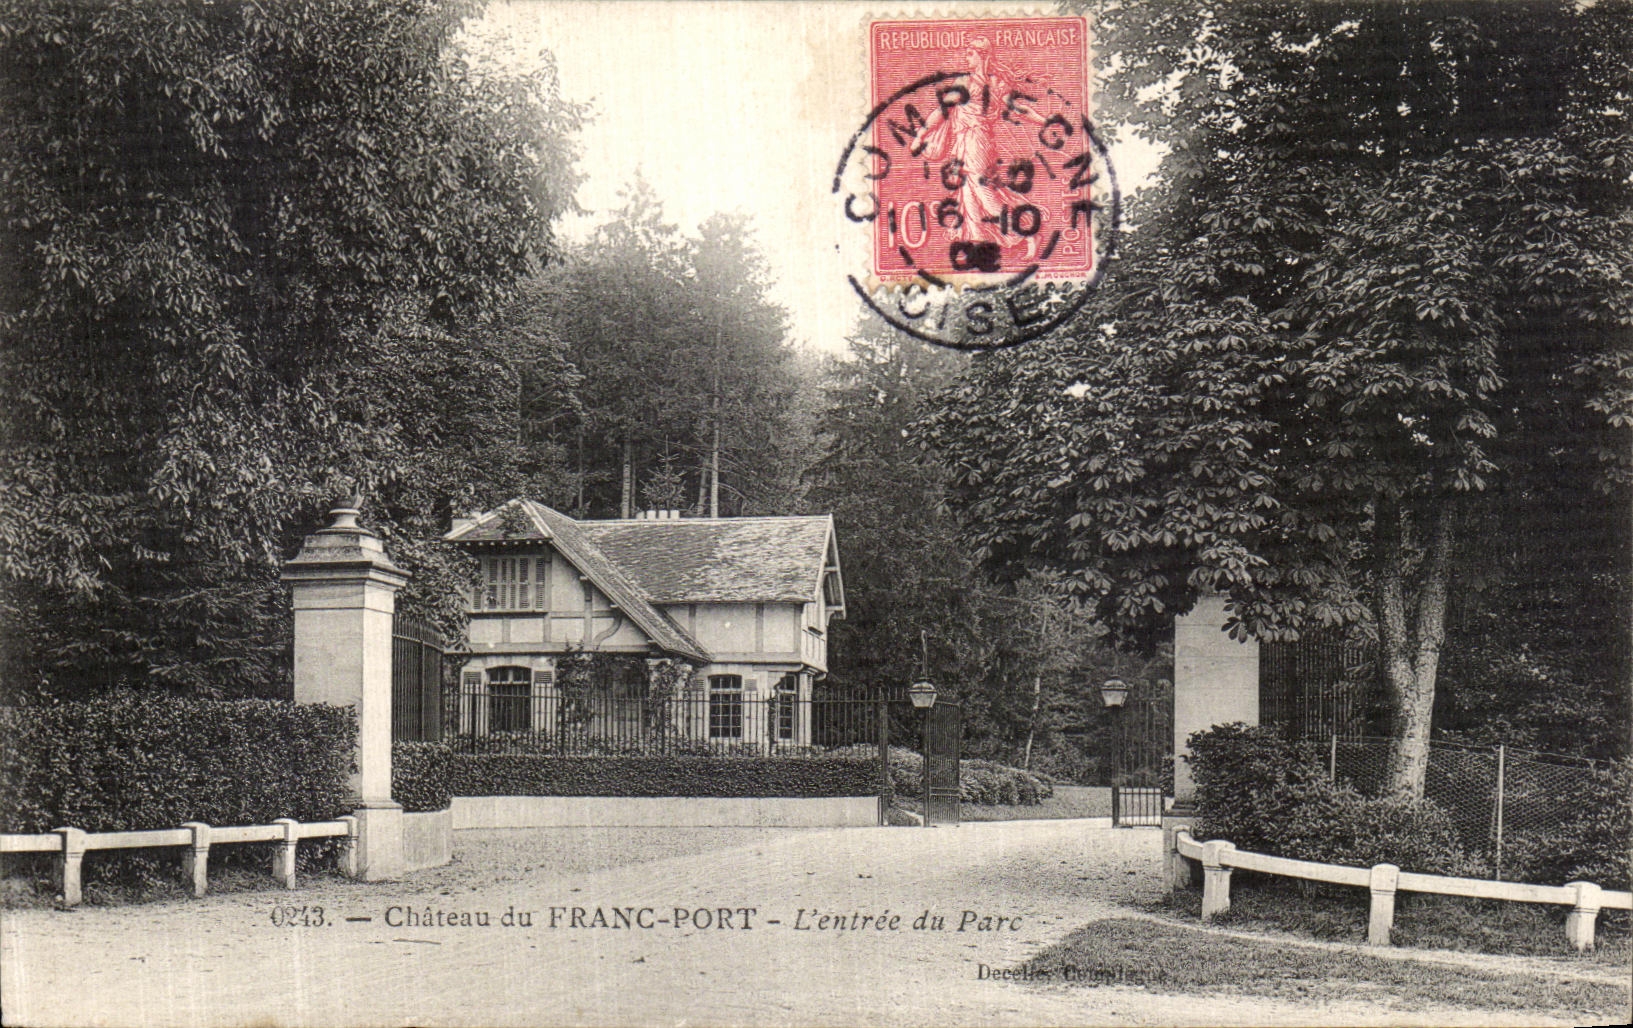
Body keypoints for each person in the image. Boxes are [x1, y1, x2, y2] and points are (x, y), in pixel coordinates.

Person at [910, 37, 1052, 256]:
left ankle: (1029, 234)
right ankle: (977, 245)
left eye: (970, 53)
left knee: (985, 193)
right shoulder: (965, 82)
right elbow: (942, 111)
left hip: (979, 142)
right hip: (963, 143)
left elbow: (1017, 109)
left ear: (982, 56)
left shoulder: (991, 83)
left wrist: (1045, 121)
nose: (967, 57)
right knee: (968, 194)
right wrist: (922, 133)